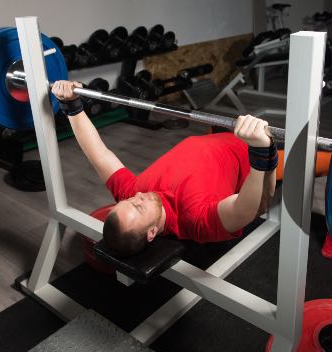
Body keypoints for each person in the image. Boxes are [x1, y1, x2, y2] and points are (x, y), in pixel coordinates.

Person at [52, 80, 278, 256]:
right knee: (271, 192)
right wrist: (260, 152)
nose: (137, 196)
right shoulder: (194, 221)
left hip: (217, 135)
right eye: (138, 207)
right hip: (253, 151)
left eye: (128, 201)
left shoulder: (132, 193)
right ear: (151, 233)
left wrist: (71, 105)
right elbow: (243, 211)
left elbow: (99, 155)